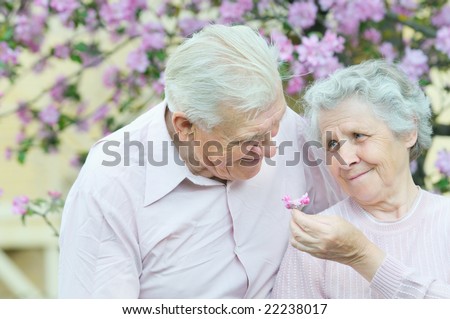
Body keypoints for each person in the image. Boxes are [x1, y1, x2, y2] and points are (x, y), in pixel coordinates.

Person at [58, 24, 344, 298]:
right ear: (185, 126)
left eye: (276, 127)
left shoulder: (274, 124)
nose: (272, 149)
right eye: (250, 141)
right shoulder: (112, 183)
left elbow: (363, 215)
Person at [272, 59, 450, 299]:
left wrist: (362, 255)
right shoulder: (317, 239)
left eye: (358, 135)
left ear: (408, 131)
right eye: (332, 144)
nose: (344, 158)